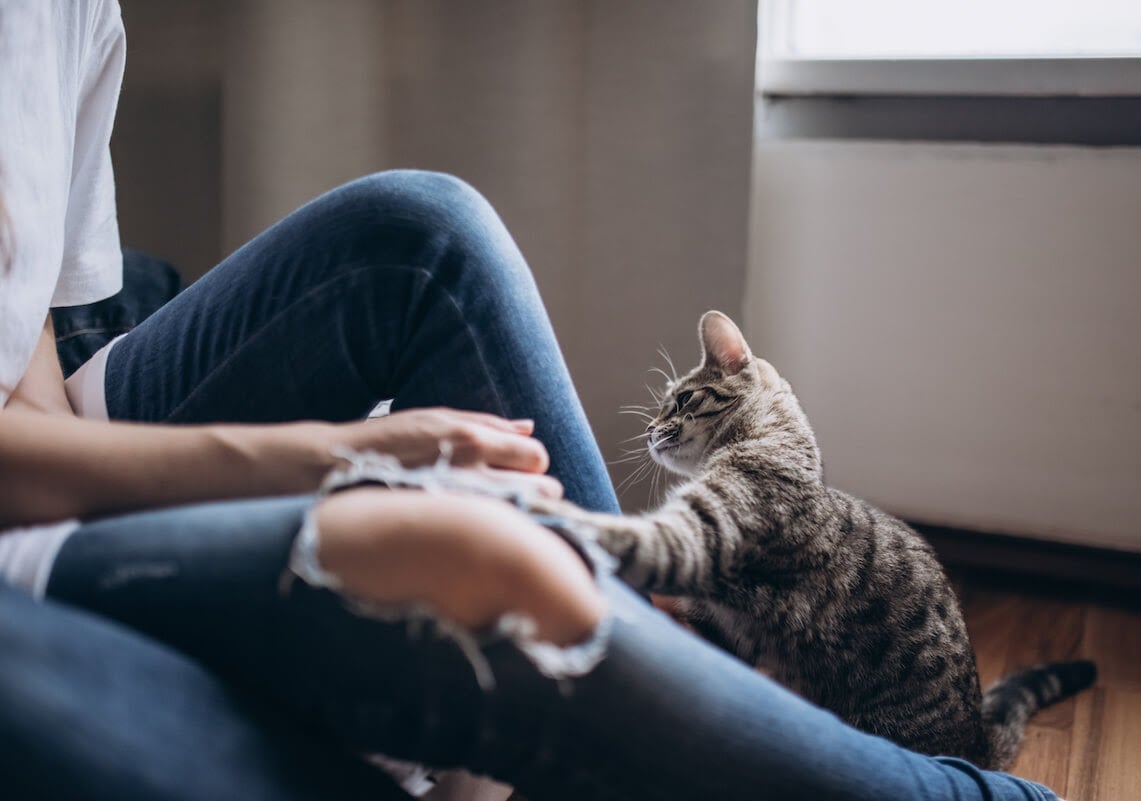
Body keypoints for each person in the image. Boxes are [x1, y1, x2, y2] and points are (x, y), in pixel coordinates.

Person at [0, 2, 1065, 799]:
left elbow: (38, 350)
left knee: (423, 233)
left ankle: (650, 665)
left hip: (44, 469)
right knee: (500, 574)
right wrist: (322, 461)